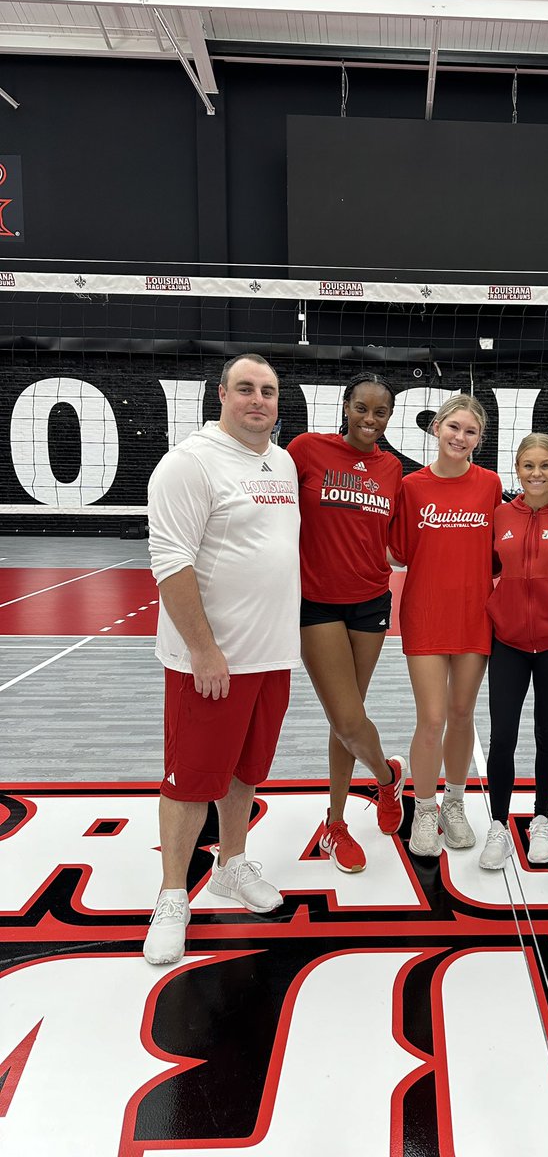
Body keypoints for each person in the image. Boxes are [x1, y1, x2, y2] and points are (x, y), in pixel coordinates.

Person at [144, 354, 301, 965]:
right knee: (188, 783)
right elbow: (170, 563)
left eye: (267, 390)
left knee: (244, 771)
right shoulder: (189, 463)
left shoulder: (280, 461)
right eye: (245, 389)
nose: (257, 399)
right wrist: (204, 650)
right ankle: (173, 895)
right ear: (221, 395)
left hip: (270, 656)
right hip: (210, 663)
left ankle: (233, 865)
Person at [286, 373, 406, 874]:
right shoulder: (306, 449)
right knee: (349, 717)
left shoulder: (392, 468)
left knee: (346, 717)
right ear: (345, 405)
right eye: (362, 408)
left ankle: (335, 824)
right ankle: (385, 778)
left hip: (371, 601)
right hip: (317, 603)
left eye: (380, 413)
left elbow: (399, 541)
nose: (370, 420)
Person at [389, 394, 502, 857]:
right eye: (454, 427)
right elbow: (399, 552)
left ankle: (455, 802)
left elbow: (501, 551)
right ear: (436, 428)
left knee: (461, 715)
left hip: (476, 615)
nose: (460, 437)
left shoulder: (491, 485)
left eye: (471, 432)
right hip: (426, 615)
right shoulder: (411, 486)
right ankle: (426, 808)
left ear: (479, 439)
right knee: (431, 718)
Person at [479, 433, 548, 870]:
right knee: (503, 736)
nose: (535, 474)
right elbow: (489, 568)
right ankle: (498, 825)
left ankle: (541, 819)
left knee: (547, 735)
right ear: (516, 470)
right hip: (509, 644)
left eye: (545, 466)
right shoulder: (500, 514)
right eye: (527, 466)